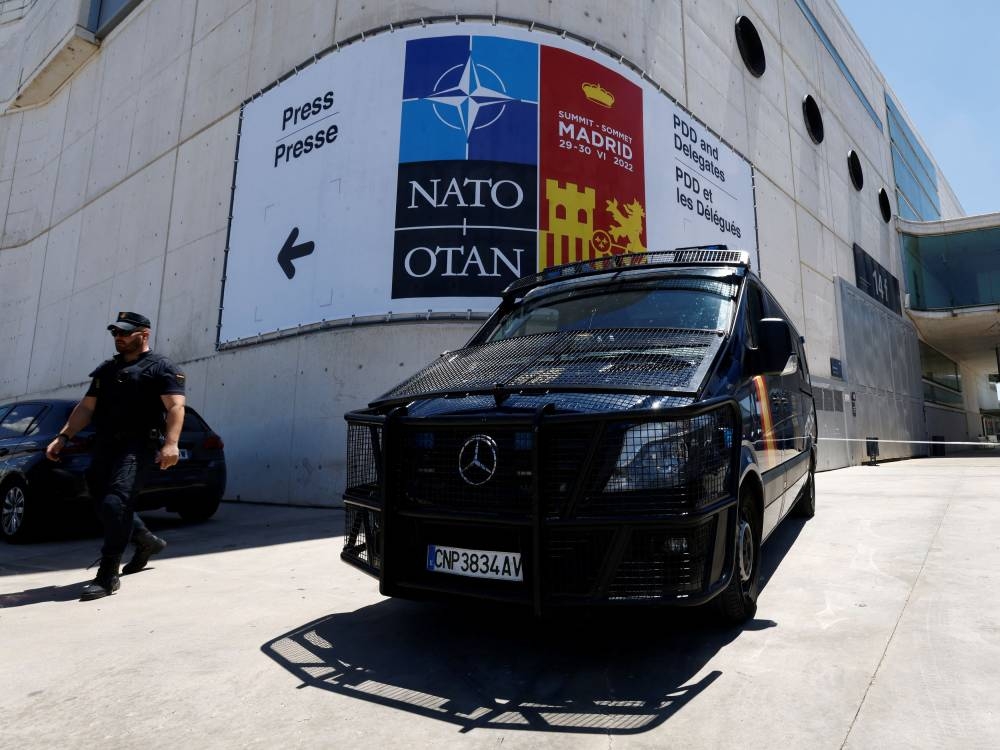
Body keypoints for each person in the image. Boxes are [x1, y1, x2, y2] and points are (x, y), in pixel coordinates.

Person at [46, 311, 186, 601]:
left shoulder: (161, 368)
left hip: (138, 447)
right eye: (115, 333)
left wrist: (171, 444)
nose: (118, 338)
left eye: (125, 332)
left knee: (115, 504)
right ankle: (145, 540)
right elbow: (86, 408)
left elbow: (175, 407)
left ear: (144, 334)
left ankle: (108, 575)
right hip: (105, 446)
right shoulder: (107, 370)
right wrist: (63, 436)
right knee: (102, 502)